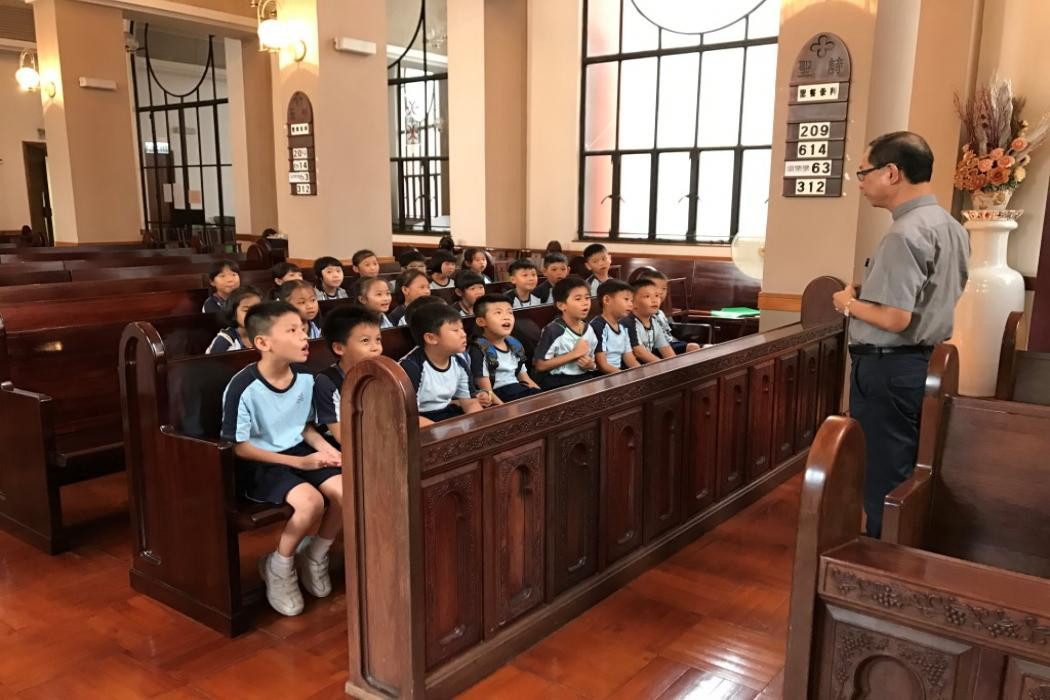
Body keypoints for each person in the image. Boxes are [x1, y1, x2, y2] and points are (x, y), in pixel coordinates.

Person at [832, 130, 969, 538]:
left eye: (863, 172)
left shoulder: (904, 232)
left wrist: (847, 303)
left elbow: (894, 319)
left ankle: (883, 558)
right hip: (924, 363)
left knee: (884, 474)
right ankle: (905, 549)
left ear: (891, 173)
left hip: (888, 369)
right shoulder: (951, 226)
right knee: (912, 468)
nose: (860, 182)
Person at [220, 302, 342, 616]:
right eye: (292, 330)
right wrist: (300, 464)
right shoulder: (243, 386)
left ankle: (315, 554)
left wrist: (326, 449)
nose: (304, 336)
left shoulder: (305, 377)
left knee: (346, 490)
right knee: (310, 503)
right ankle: (279, 566)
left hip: (299, 450)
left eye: (303, 329)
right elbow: (239, 448)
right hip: (261, 462)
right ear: (263, 342)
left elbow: (305, 427)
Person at [399, 302, 483, 425]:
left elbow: (470, 402)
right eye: (455, 330)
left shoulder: (459, 361)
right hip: (421, 420)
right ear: (431, 338)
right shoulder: (411, 367)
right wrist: (444, 432)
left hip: (447, 413)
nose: (463, 334)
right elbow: (409, 417)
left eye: (462, 329)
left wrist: (478, 426)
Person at [313, 306, 383, 448]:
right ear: (339, 348)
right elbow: (341, 436)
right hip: (344, 444)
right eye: (365, 341)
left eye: (378, 340)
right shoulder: (326, 382)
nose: (376, 347)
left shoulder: (381, 372)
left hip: (375, 434)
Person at [470, 294, 543, 405]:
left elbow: (525, 378)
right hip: (499, 396)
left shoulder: (514, 344)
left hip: (519, 390)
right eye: (498, 313)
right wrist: (504, 409)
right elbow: (487, 392)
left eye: (510, 312)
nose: (506, 317)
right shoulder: (479, 349)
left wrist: (544, 397)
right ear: (481, 321)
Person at [533, 276, 599, 390]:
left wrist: (591, 365)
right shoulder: (553, 330)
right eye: (578, 299)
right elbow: (540, 365)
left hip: (584, 376)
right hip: (558, 381)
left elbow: (592, 361)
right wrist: (574, 354)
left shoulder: (589, 328)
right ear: (561, 305)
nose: (585, 303)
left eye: (587, 298)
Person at [634, 268, 700, 354]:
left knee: (696, 348)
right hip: (652, 350)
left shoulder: (659, 313)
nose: (660, 292)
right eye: (656, 287)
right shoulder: (635, 318)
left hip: (667, 344)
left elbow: (668, 338)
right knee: (692, 348)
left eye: (664, 288)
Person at [590, 279, 639, 374]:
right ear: (607, 300)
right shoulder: (598, 326)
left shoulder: (623, 327)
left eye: (632, 301)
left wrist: (643, 374)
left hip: (618, 373)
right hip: (603, 377)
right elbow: (602, 365)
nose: (631, 304)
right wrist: (624, 377)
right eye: (626, 299)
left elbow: (630, 360)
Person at [628, 278, 674, 363]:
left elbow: (666, 349)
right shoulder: (629, 323)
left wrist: (675, 365)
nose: (654, 300)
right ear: (632, 303)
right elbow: (640, 353)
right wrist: (664, 366)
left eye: (657, 296)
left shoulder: (655, 321)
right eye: (647, 296)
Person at [206, 285, 263, 353]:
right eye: (246, 310)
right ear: (233, 313)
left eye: (258, 309)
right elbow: (212, 359)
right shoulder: (224, 340)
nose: (253, 314)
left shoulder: (267, 334)